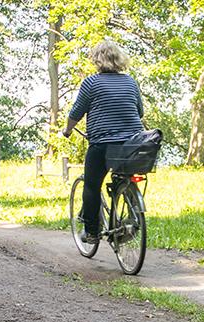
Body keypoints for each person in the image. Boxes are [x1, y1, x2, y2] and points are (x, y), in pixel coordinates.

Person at [62, 41, 144, 244]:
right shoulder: (131, 82)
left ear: (97, 60)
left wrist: (68, 130)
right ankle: (133, 215)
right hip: (133, 143)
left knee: (91, 185)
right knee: (126, 176)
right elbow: (139, 112)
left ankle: (91, 232)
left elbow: (76, 113)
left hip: (102, 144)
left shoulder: (91, 83)